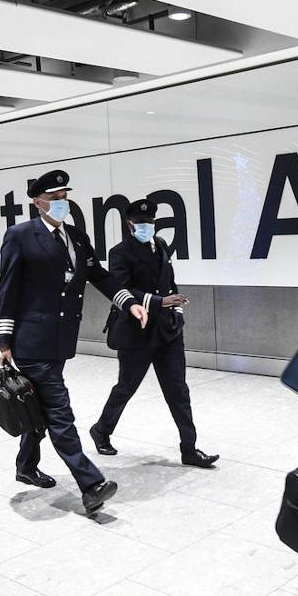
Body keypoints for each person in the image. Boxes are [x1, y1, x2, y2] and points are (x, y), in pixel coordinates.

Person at [0, 169, 148, 515]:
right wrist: (3, 340)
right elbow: (8, 288)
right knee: (60, 412)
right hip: (32, 342)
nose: (62, 203)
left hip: (60, 341)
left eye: (65, 196)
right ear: (37, 202)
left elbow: (100, 276)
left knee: (41, 410)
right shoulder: (20, 236)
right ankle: (90, 485)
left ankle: (25, 465)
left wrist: (129, 301)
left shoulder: (76, 237)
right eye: (55, 198)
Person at [89, 199, 219, 469]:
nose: (147, 227)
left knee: (178, 391)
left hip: (168, 332)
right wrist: (160, 302)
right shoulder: (119, 253)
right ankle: (101, 430)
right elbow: (120, 290)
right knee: (126, 387)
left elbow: (168, 282)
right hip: (136, 332)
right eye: (141, 223)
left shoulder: (159, 245)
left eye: (150, 222)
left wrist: (176, 313)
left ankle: (189, 449)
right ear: (129, 225)